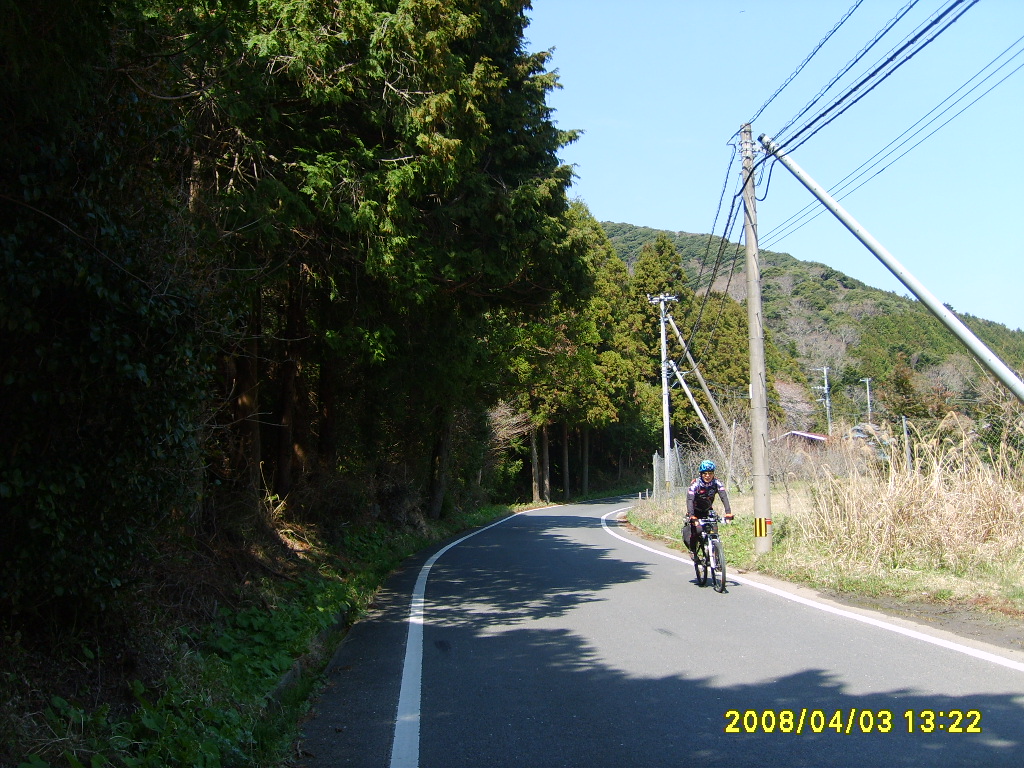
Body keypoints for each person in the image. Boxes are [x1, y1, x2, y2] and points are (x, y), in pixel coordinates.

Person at [683, 460, 733, 559]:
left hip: (707, 510)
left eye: (710, 473)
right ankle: (693, 550)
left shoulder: (716, 483)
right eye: (705, 473)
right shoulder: (696, 484)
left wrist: (728, 513)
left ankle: (715, 554)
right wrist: (692, 516)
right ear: (701, 474)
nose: (707, 476)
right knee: (697, 530)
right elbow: (689, 499)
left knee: (714, 530)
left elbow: (724, 497)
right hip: (695, 511)